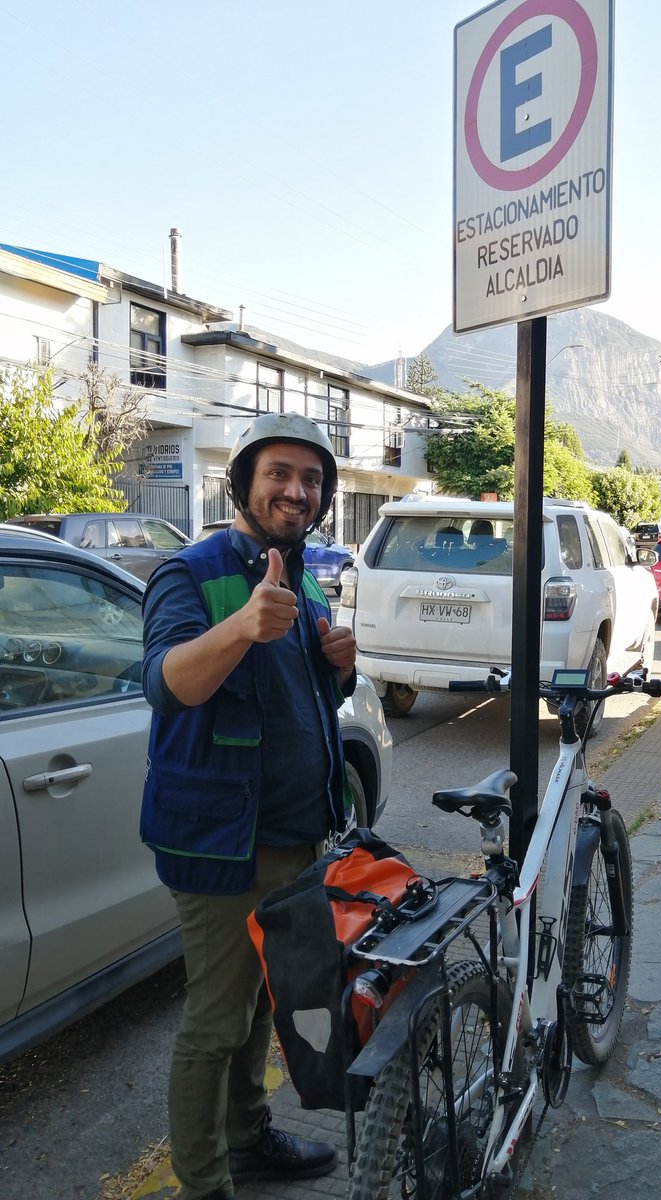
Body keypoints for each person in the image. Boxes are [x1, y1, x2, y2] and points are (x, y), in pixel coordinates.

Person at [140, 412, 357, 1200]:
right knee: (214, 1022)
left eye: (311, 479)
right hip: (222, 845)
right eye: (280, 474)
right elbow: (169, 686)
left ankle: (248, 1138)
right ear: (243, 481)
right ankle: (204, 1185)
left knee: (262, 1003)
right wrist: (239, 626)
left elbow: (296, 705)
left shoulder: (294, 574)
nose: (297, 490)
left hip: (296, 839)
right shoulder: (192, 573)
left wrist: (340, 668)